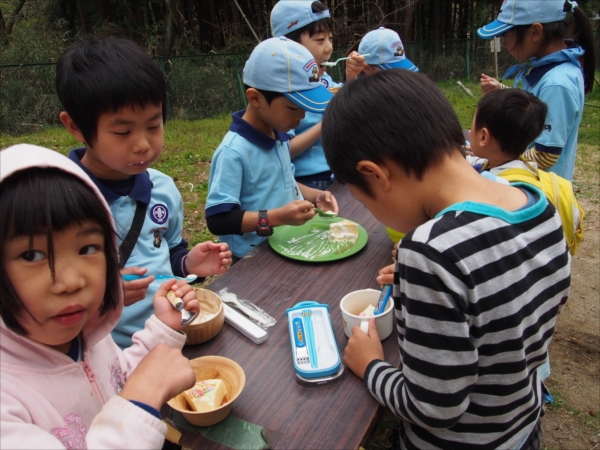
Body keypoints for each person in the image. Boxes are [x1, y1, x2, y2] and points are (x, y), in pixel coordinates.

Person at [321, 69, 571, 449]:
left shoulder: (429, 251)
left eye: (366, 200)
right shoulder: (538, 206)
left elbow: (434, 407)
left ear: (374, 174)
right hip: (521, 428)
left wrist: (371, 365)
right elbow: (505, 307)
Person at [0, 144, 198, 449]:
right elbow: (134, 394)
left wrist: (164, 327)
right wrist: (143, 396)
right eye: (32, 254)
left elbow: (116, 382)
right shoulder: (7, 402)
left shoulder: (85, 335)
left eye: (87, 248)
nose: (70, 282)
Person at [55, 37, 232, 349]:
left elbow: (167, 254)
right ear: (76, 127)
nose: (142, 144)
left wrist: (189, 264)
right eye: (123, 132)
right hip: (104, 354)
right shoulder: (59, 202)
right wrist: (103, 296)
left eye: (153, 125)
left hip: (167, 335)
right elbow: (44, 296)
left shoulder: (162, 189)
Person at [205, 37, 338, 261]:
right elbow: (218, 220)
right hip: (253, 260)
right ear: (255, 98)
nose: (301, 116)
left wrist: (316, 195)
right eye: (293, 108)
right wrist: (277, 217)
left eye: (305, 108)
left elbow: (280, 180)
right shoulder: (234, 152)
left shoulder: (279, 134)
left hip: (288, 243)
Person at [477, 0, 596, 182]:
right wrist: (500, 89)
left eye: (506, 35)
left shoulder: (557, 83)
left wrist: (497, 160)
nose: (506, 44)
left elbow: (545, 155)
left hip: (540, 195)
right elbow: (538, 105)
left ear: (535, 32)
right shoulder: (551, 71)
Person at [270, 0, 364, 190]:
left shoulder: (324, 80)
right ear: (291, 47)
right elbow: (281, 153)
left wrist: (351, 78)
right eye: (320, 40)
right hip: (307, 183)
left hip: (339, 175)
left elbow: (348, 112)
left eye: (330, 38)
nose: (329, 47)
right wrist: (327, 122)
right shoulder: (281, 93)